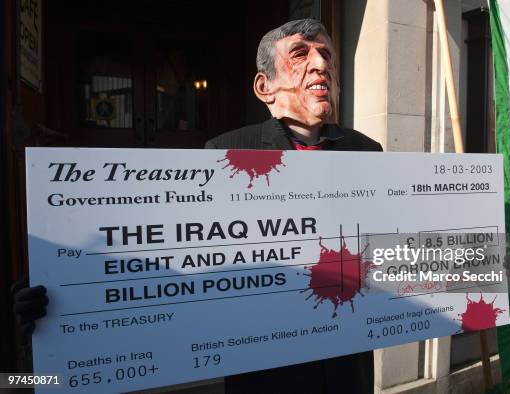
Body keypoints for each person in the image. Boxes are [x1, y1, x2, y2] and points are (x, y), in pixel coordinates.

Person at [14, 18, 382, 394]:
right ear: (264, 86)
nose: (320, 64)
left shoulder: (368, 152)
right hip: (271, 367)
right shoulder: (225, 152)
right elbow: (166, 243)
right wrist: (62, 286)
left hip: (346, 364)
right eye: (301, 54)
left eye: (327, 56)